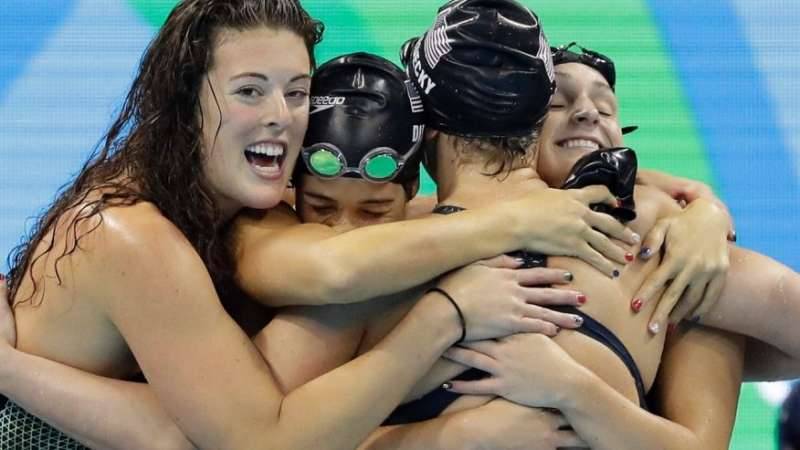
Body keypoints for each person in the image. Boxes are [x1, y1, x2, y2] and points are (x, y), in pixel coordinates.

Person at [0, 1, 643, 449]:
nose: (281, 115)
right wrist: (446, 315)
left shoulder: (241, 204)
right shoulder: (132, 236)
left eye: (297, 90)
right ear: (184, 101)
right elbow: (235, 440)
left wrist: (692, 204)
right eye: (249, 90)